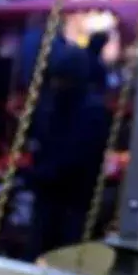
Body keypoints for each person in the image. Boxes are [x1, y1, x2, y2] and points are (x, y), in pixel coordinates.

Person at [28, 45, 111, 257]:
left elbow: (82, 155)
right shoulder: (50, 105)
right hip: (47, 197)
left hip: (75, 199)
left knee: (68, 253)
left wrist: (43, 173)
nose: (57, 85)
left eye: (63, 80)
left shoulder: (92, 112)